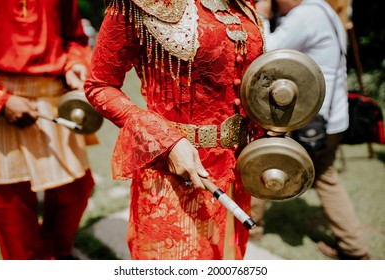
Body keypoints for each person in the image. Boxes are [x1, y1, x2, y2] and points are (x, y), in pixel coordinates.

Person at [84, 0, 267, 260]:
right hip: (173, 176)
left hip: (234, 171)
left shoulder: (241, 3)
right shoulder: (139, 4)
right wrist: (166, 140)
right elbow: (99, 85)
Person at [253, 0, 370, 260]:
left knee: (264, 160)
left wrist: (261, 15)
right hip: (332, 116)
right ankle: (355, 249)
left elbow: (266, 48)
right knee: (327, 178)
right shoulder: (324, 9)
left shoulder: (305, 15)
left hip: (313, 119)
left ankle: (252, 225)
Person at [0, 0, 95, 260]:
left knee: (75, 191)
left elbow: (74, 37)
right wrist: (1, 99)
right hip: (2, 106)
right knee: (10, 206)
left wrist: (75, 65)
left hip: (53, 96)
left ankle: (54, 256)